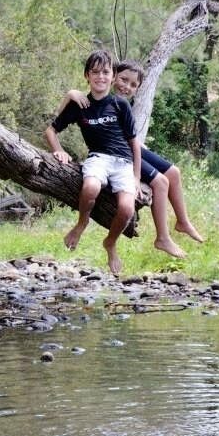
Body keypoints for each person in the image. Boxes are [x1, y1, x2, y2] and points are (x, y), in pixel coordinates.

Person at [56, 59, 204, 258]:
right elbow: (60, 118)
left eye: (134, 85)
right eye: (124, 80)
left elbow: (129, 132)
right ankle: (163, 237)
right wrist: (70, 94)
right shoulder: (93, 96)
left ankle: (183, 221)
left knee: (174, 173)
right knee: (160, 182)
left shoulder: (120, 101)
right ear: (114, 76)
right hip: (116, 153)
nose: (127, 86)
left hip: (129, 148)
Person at [45, 50, 141, 277]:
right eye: (95, 72)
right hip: (98, 158)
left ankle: (110, 242)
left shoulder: (120, 104)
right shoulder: (81, 104)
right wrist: (58, 150)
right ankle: (81, 223)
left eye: (106, 72)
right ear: (87, 75)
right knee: (90, 187)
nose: (101, 76)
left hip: (123, 163)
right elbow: (51, 130)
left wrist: (136, 177)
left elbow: (134, 144)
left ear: (113, 75)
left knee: (127, 209)